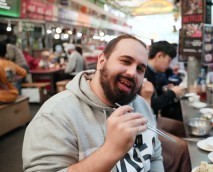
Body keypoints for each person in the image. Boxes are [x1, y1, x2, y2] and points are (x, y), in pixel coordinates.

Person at [22, 34, 164, 171]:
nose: (132, 73)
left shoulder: (141, 105)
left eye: (140, 69)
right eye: (125, 61)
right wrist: (111, 149)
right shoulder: (55, 115)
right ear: (102, 61)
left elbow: (154, 156)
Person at [139, 79, 191, 172]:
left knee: (184, 128)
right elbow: (146, 124)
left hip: (152, 118)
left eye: (140, 68)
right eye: (127, 63)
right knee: (183, 147)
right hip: (147, 124)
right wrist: (171, 93)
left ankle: (175, 158)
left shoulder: (147, 77)